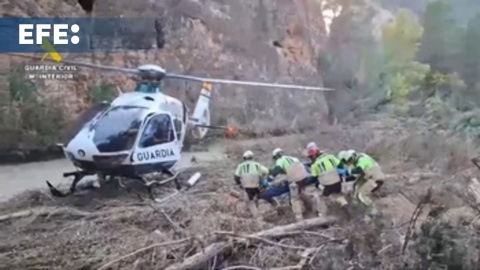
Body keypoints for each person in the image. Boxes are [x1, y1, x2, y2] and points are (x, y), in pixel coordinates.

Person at [267, 148, 321, 221]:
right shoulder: (293, 158)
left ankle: (299, 218)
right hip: (304, 177)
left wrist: (270, 178)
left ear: (276, 156)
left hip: (295, 180)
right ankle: (312, 206)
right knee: (299, 192)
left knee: (294, 199)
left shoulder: (280, 160)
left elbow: (278, 169)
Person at [308, 145, 349, 217]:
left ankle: (322, 215)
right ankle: (344, 204)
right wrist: (340, 175)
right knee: (337, 194)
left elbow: (314, 178)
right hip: (337, 181)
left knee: (322, 197)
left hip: (327, 184)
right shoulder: (330, 156)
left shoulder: (314, 164)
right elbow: (340, 165)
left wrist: (315, 183)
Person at [343, 150, 384, 215]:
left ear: (353, 156)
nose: (350, 162)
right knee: (356, 191)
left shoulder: (362, 159)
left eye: (350, 160)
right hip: (370, 178)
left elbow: (359, 170)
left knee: (362, 195)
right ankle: (361, 211)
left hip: (375, 178)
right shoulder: (358, 161)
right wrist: (344, 179)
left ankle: (375, 212)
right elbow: (355, 177)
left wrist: (348, 172)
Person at [234, 150, 270, 223]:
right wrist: (264, 181)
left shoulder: (241, 166)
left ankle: (258, 218)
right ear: (252, 157)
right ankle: (276, 206)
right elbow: (267, 171)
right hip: (257, 185)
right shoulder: (257, 165)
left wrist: (239, 184)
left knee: (249, 201)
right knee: (256, 197)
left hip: (247, 186)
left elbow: (236, 177)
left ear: (244, 158)